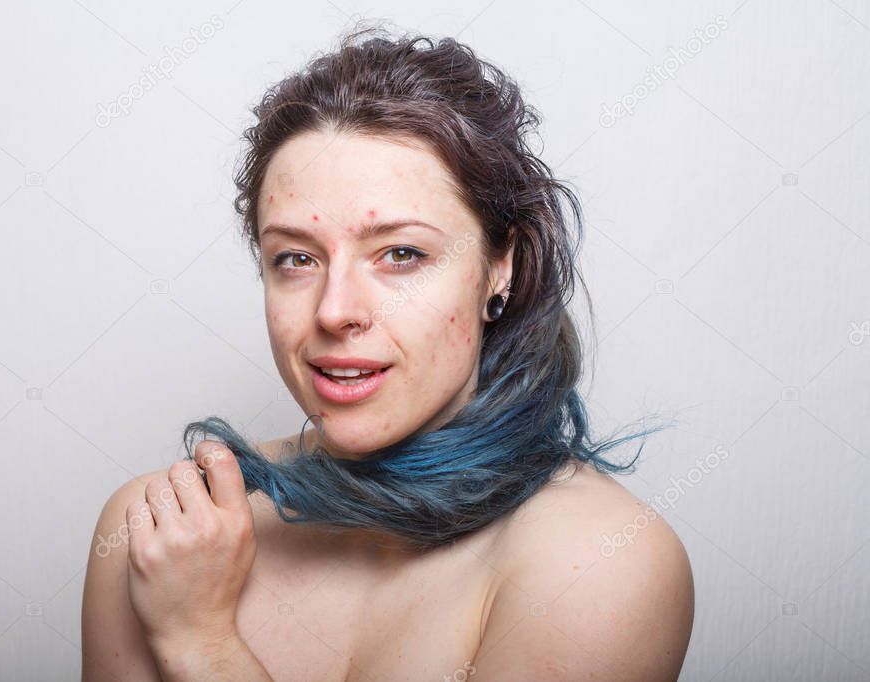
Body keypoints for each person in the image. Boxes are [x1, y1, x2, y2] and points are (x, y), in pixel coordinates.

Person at [82, 24, 694, 681]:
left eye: (401, 254)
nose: (334, 310)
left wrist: (198, 641)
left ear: (500, 268)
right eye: (295, 258)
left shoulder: (600, 559)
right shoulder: (157, 533)